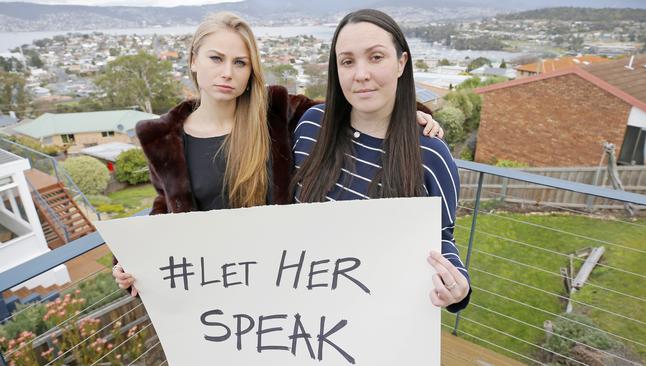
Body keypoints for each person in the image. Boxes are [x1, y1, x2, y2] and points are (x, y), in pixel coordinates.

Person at [112, 11, 443, 296]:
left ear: (251, 70)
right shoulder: (163, 140)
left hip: (290, 283)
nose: (227, 72)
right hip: (218, 291)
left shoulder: (276, 111)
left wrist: (407, 110)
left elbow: (352, 105)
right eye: (216, 58)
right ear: (194, 61)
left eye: (240, 63)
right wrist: (131, 262)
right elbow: (163, 212)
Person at [291, 9, 470, 311]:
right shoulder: (310, 126)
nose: (361, 74)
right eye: (347, 61)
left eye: (376, 57)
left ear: (401, 62)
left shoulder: (431, 156)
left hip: (376, 324)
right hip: (299, 316)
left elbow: (441, 239)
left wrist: (458, 287)